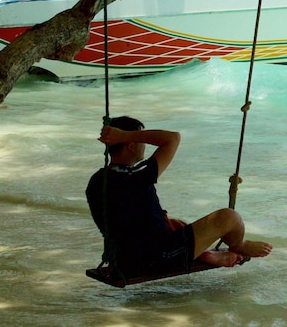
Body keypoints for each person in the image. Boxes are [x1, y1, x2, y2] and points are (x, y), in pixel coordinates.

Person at [86, 116, 272, 278]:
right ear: (131, 145)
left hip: (124, 260)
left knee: (177, 223)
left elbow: (130, 221)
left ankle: (205, 254)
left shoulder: (97, 180)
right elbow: (172, 138)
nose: (144, 144)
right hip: (159, 259)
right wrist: (124, 135)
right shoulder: (137, 177)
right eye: (140, 139)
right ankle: (239, 245)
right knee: (230, 217)